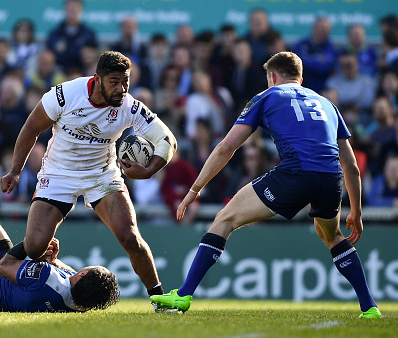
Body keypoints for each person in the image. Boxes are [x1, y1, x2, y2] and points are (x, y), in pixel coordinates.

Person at [150, 51, 381, 319]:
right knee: (332, 236)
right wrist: (357, 211)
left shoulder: (267, 96)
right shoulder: (327, 104)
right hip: (331, 179)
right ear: (301, 78)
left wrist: (195, 189)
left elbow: (227, 147)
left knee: (225, 218)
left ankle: (184, 294)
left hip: (295, 174)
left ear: (272, 76)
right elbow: (351, 165)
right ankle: (370, 308)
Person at [0, 51, 177, 305]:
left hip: (101, 174)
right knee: (36, 246)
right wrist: (16, 170)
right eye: (114, 82)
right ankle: (45, 270)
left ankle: (160, 299)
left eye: (125, 82)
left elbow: (168, 139)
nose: (121, 89)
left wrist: (149, 171)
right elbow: (31, 128)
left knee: (130, 237)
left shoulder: (129, 106)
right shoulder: (65, 95)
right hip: (58, 172)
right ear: (98, 79)